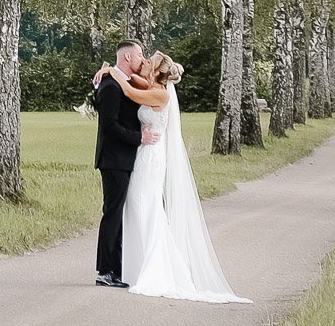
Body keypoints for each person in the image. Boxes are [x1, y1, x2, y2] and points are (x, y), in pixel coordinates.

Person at [94, 50, 250, 304]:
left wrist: (111, 70)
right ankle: (130, 264)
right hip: (144, 155)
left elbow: (130, 91)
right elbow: (130, 82)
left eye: (147, 62)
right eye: (142, 59)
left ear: (155, 71)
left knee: (146, 206)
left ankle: (148, 266)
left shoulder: (160, 93)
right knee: (136, 207)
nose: (143, 63)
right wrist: (106, 73)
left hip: (151, 157)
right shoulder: (152, 84)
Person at [92, 39, 146, 287]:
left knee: (119, 215)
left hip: (124, 159)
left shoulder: (121, 82)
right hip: (114, 160)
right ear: (126, 58)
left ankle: (117, 268)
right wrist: (140, 138)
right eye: (139, 55)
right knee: (112, 214)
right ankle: (105, 271)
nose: (142, 59)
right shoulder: (111, 86)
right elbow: (109, 126)